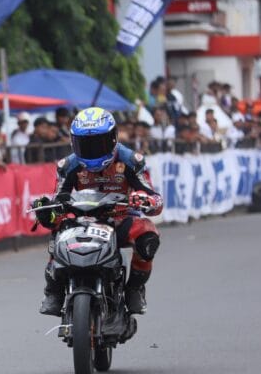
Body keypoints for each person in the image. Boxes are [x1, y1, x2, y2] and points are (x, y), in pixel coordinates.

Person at [32, 107, 163, 316]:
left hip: (121, 219)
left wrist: (145, 200)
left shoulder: (131, 160)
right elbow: (59, 200)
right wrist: (48, 213)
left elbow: (154, 199)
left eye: (98, 143)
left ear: (113, 139)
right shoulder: (68, 165)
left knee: (148, 236)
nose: (92, 149)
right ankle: (53, 291)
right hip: (83, 221)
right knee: (58, 229)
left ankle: (135, 288)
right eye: (85, 144)